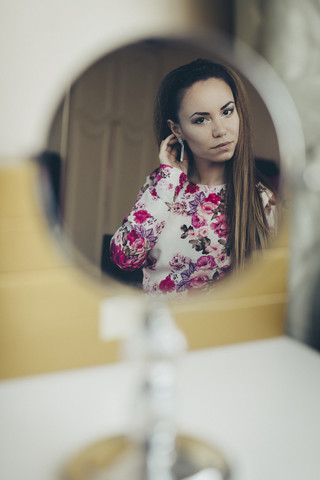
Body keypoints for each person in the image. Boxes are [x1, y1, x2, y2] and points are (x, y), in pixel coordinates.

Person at [109, 59, 277, 295]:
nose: (220, 130)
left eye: (227, 112)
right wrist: (169, 179)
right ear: (177, 130)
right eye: (201, 119)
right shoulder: (162, 184)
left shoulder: (260, 199)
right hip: (161, 326)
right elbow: (124, 258)